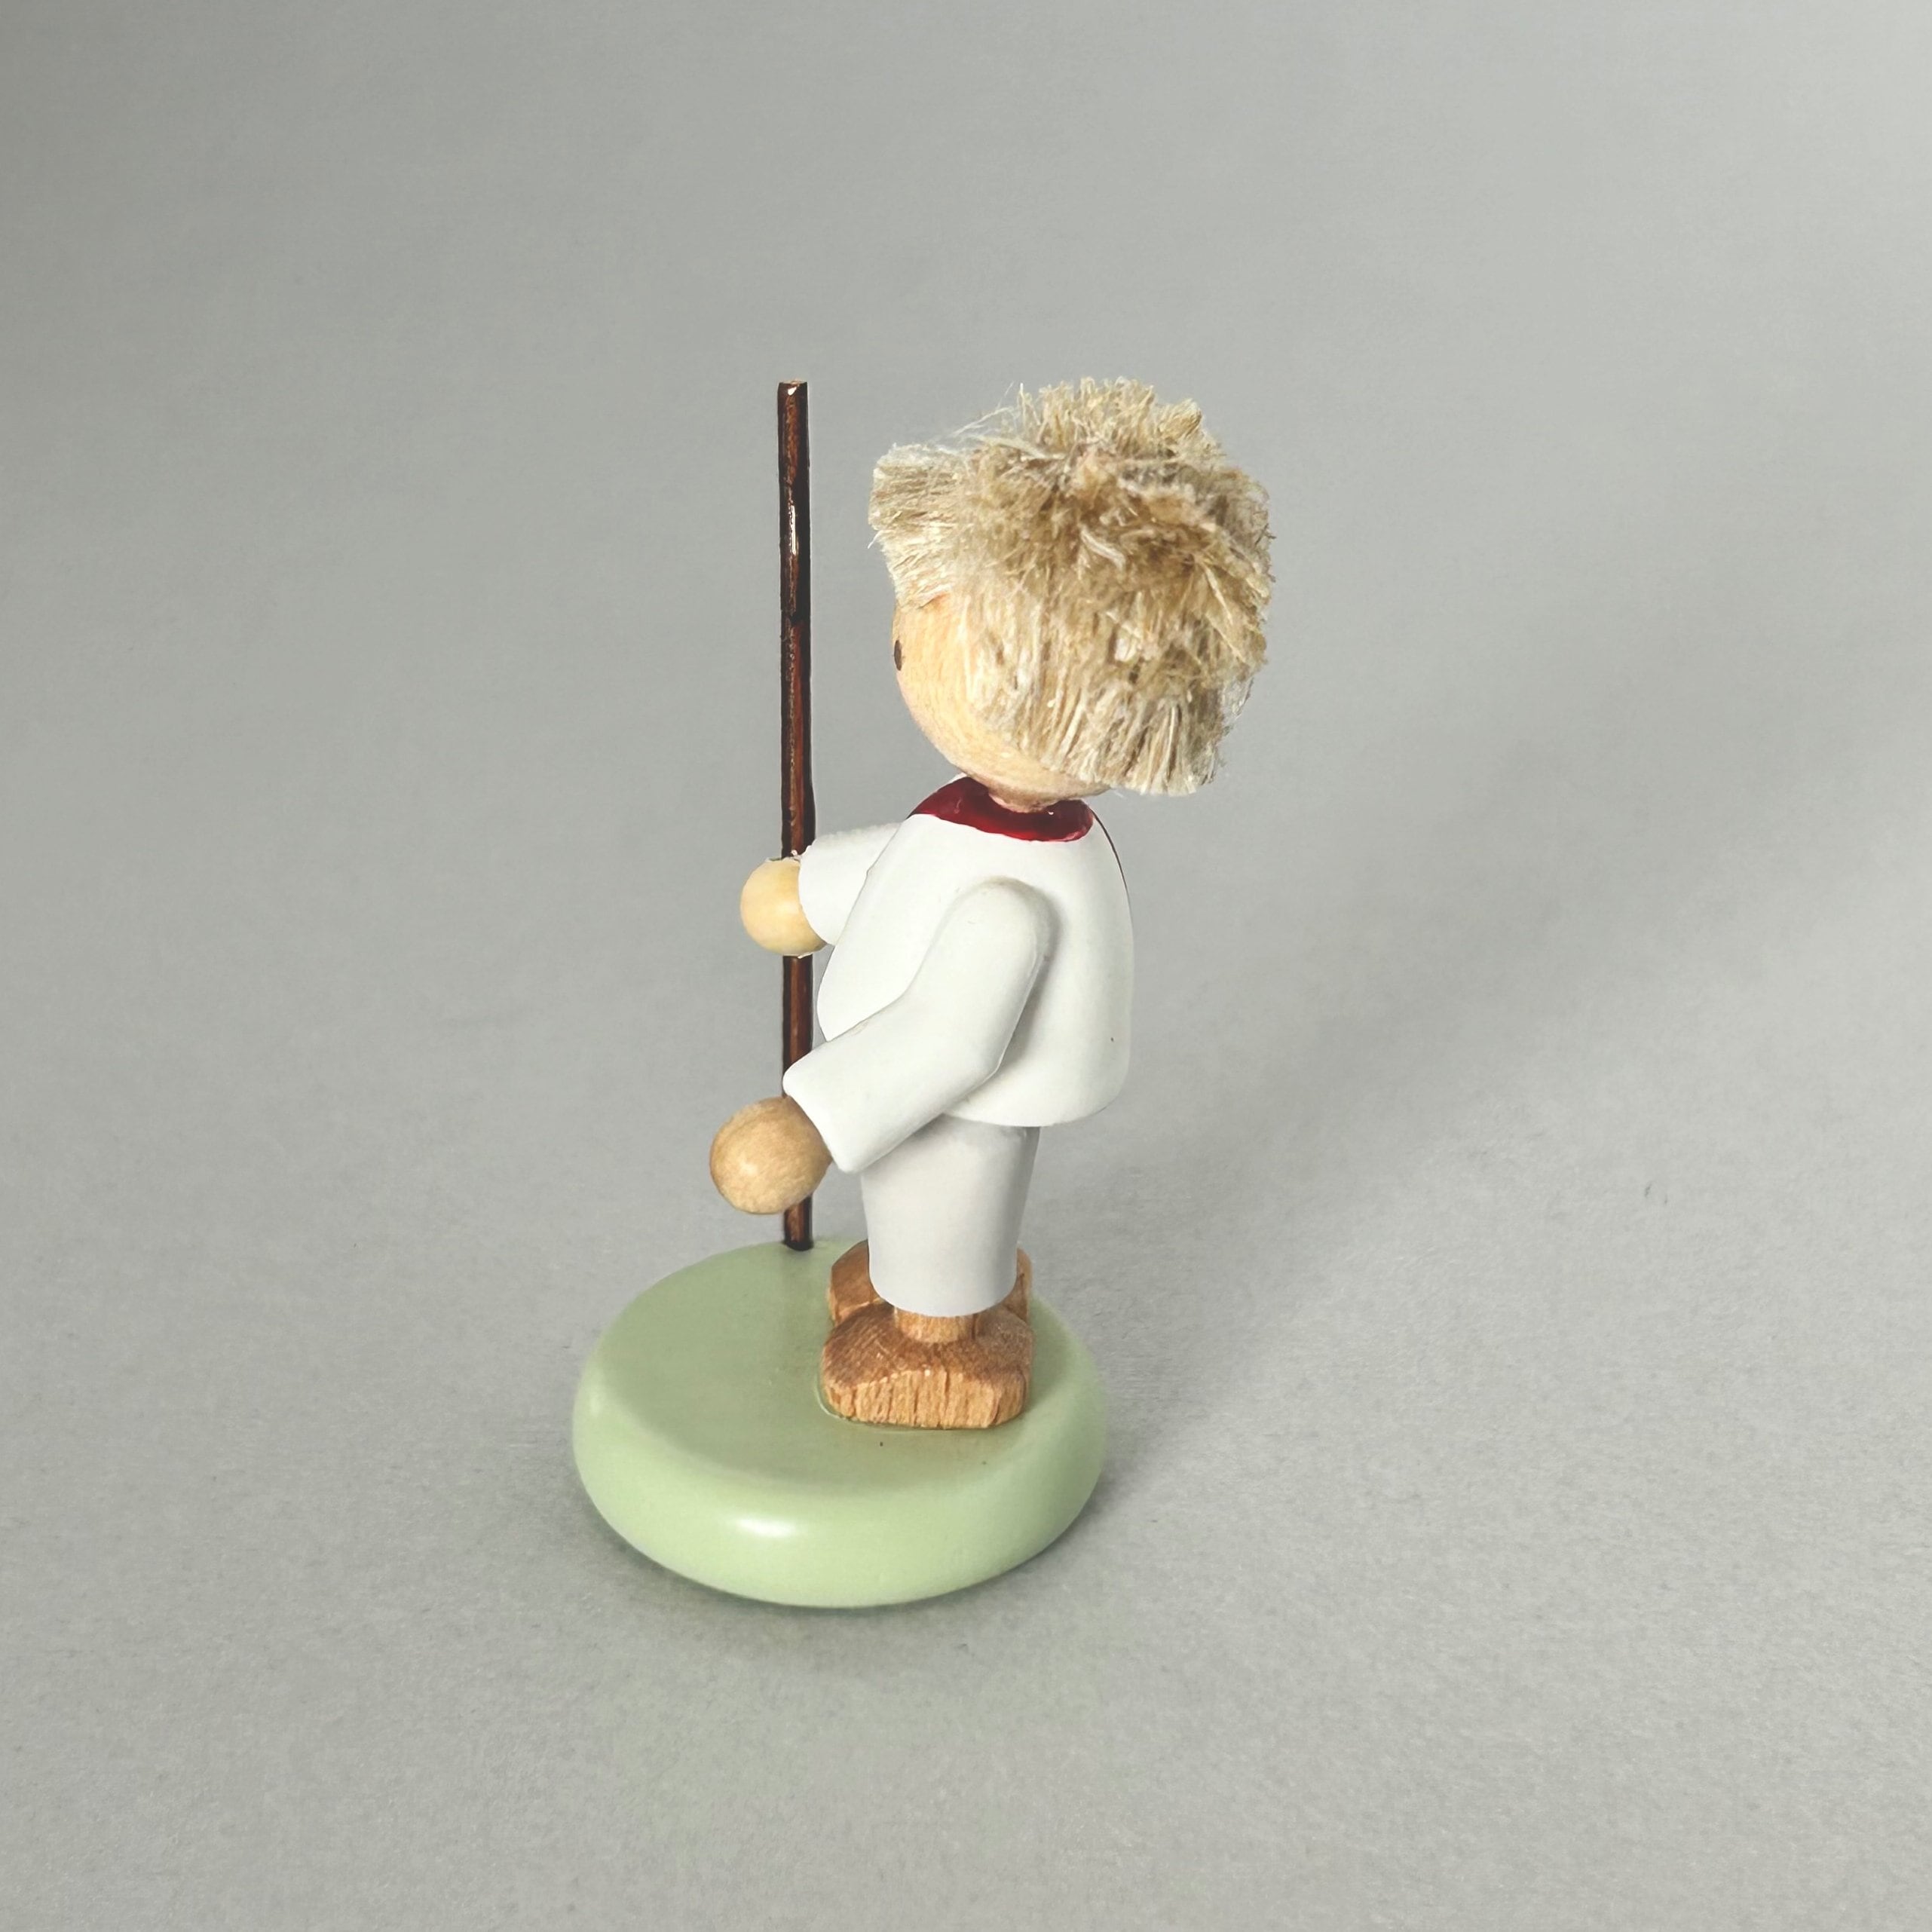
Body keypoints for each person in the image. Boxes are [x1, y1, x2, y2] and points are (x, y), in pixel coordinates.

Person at [710, 378, 1272, 1427]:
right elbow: (918, 864)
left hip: (956, 1100)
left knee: (945, 1204)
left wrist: (812, 1123)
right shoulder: (997, 828)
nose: (903, 637)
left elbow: (949, 1040)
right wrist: (814, 891)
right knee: (915, 1210)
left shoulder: (1020, 901)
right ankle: (922, 1286)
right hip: (916, 1080)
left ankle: (941, 1339)